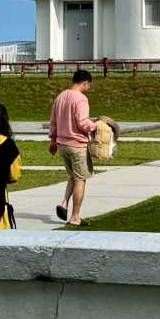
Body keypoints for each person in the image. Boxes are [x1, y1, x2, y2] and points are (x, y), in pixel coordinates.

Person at [49, 69, 98, 226]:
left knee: (72, 176)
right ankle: (75, 217)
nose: (88, 88)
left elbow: (53, 121)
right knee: (80, 179)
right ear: (86, 82)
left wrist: (53, 140)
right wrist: (95, 125)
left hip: (62, 144)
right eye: (89, 85)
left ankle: (64, 203)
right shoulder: (81, 99)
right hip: (77, 145)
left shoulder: (61, 96)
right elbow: (83, 123)